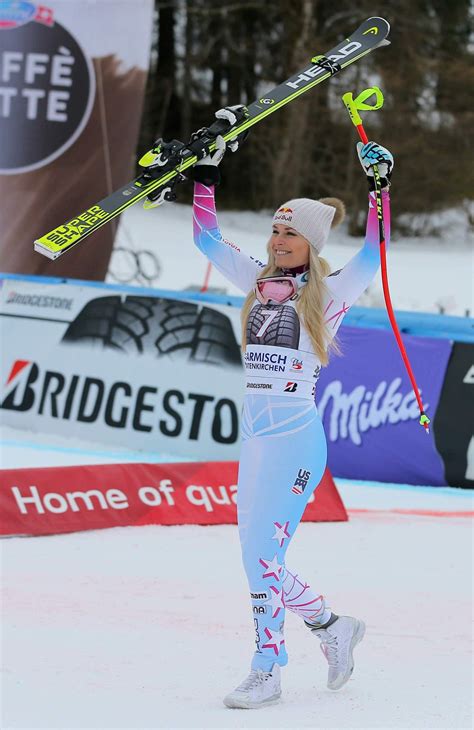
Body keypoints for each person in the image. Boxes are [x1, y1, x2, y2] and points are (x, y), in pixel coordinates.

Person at [190, 110, 393, 709]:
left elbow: (376, 251)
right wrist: (206, 171)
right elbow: (205, 238)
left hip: (297, 439)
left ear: (311, 243)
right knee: (259, 554)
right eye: (275, 231)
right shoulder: (255, 280)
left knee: (261, 554)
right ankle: (333, 627)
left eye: (290, 234)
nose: (277, 242)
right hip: (255, 436)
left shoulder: (329, 293)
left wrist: (380, 190)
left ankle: (267, 666)